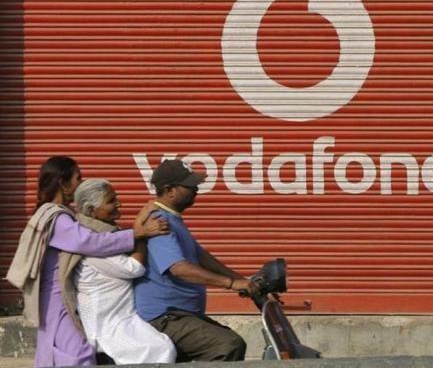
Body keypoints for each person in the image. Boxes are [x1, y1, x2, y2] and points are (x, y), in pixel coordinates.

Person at [6, 156, 169, 367]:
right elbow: (89, 242)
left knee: (64, 348)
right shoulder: (57, 218)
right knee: (76, 352)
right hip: (56, 298)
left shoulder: (62, 215)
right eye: (77, 178)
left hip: (63, 295)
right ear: (63, 184)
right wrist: (137, 233)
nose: (80, 183)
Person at [134, 159, 259, 362]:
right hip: (165, 318)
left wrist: (245, 281)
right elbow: (178, 268)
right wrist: (231, 284)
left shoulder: (173, 219)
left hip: (182, 315)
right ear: (169, 190)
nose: (196, 189)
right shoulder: (158, 221)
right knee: (227, 345)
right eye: (189, 185)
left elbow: (202, 257)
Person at [73, 179, 176, 364]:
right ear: (91, 210)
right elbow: (134, 268)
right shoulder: (91, 242)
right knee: (160, 349)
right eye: (111, 201)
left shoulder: (106, 235)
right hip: (107, 326)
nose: (119, 204)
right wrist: (142, 232)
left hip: (123, 318)